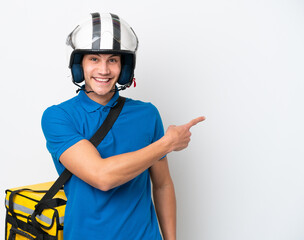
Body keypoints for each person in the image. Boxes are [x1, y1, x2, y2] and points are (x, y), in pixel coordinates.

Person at [41, 12, 205, 240]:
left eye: (113, 60)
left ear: (124, 67)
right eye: (94, 59)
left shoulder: (147, 114)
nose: (104, 70)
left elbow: (163, 185)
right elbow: (102, 177)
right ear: (80, 65)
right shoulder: (58, 117)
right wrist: (167, 144)